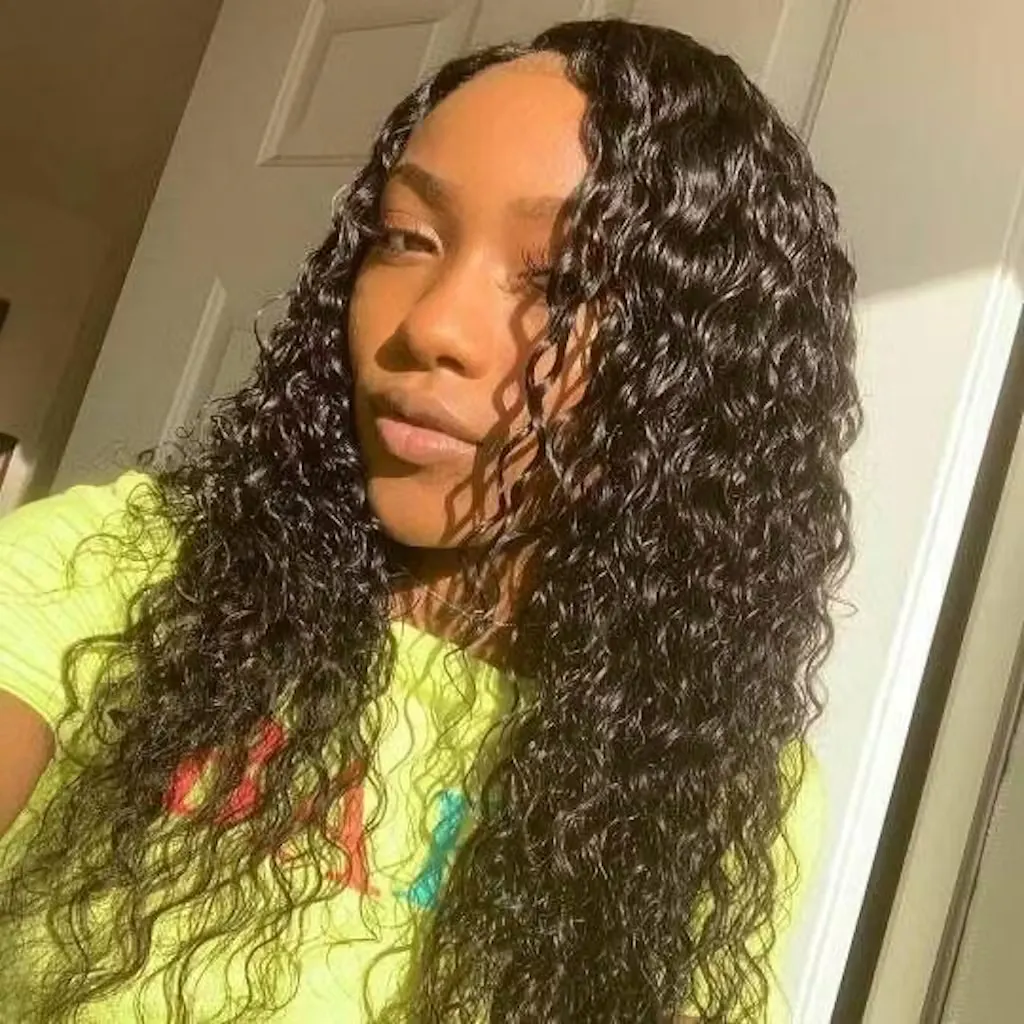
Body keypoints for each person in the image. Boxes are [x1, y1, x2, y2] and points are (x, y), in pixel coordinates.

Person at [0, 18, 860, 1024]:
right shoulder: (129, 567)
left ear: (699, 373)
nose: (429, 325)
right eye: (406, 238)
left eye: (564, 280)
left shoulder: (720, 785)